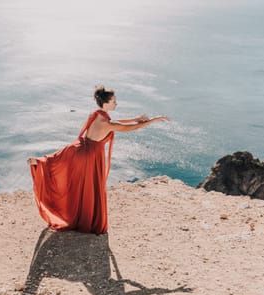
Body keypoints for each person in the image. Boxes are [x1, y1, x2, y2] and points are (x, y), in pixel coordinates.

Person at [28, 85, 169, 234]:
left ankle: (38, 162)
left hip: (78, 149)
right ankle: (84, 220)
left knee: (60, 168)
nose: (116, 103)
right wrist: (153, 120)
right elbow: (127, 127)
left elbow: (117, 122)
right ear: (107, 102)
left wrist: (136, 118)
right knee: (89, 188)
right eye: (114, 101)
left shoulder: (97, 114)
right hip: (89, 157)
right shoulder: (106, 123)